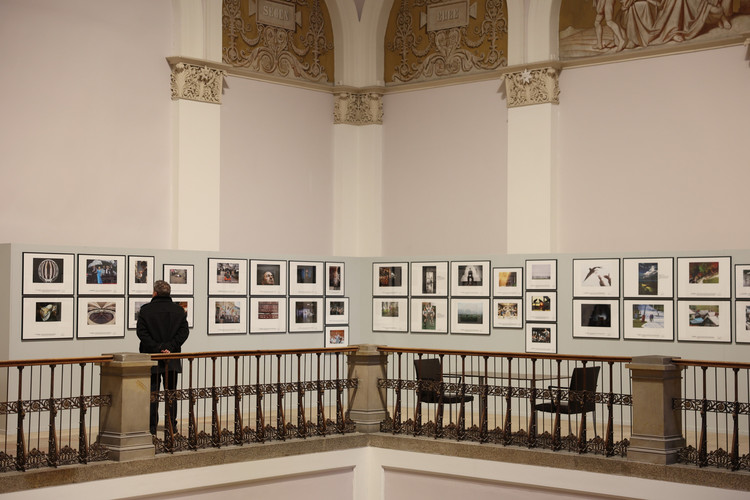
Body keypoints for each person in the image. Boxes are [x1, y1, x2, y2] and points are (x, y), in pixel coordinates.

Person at [137, 280, 190, 435]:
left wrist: (158, 348)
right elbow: (184, 333)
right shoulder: (179, 311)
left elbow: (142, 333)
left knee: (153, 394)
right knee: (171, 393)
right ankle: (171, 425)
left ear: (155, 293)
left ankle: (151, 427)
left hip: (152, 357)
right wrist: (170, 348)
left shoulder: (146, 310)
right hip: (171, 359)